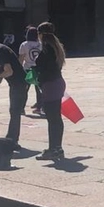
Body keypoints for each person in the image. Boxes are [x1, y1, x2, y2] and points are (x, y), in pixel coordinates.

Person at [33, 22, 68, 162]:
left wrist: (35, 72)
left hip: (50, 85)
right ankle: (57, 148)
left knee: (52, 119)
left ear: (40, 34)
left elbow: (42, 66)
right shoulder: (56, 47)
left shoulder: (46, 49)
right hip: (57, 83)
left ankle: (54, 149)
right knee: (56, 118)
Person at [19, 27, 42, 114]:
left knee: (24, 90)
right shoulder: (40, 44)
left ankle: (21, 108)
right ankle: (39, 107)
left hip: (27, 69)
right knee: (39, 89)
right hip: (38, 69)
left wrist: (19, 69)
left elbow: (21, 58)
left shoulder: (24, 45)